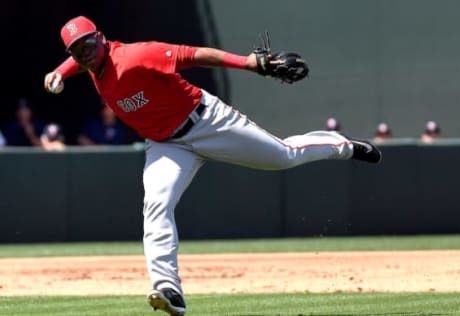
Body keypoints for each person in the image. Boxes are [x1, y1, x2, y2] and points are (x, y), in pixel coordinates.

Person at [44, 16, 382, 315]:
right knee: (156, 204)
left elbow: (192, 55)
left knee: (283, 157)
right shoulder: (90, 63)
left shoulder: (135, 55)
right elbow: (82, 60)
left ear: (101, 37)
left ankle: (341, 146)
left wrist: (249, 63)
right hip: (166, 144)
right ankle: (168, 289)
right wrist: (60, 71)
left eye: (87, 43)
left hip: (207, 122)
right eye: (76, 50)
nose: (84, 52)